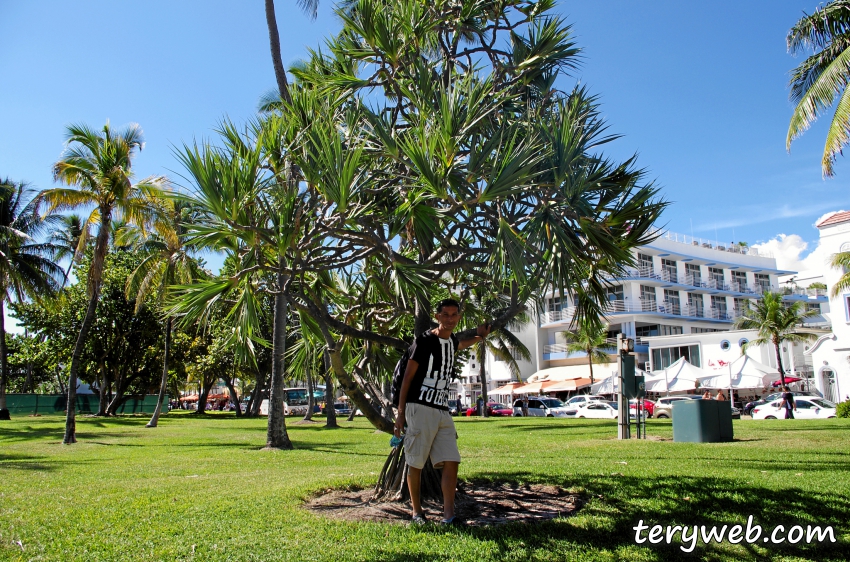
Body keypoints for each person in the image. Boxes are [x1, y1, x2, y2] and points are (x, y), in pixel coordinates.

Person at [394, 298, 490, 526]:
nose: (450, 319)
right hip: (419, 407)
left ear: (459, 317)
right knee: (415, 461)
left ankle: (449, 516)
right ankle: (417, 513)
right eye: (445, 315)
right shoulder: (424, 341)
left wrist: (480, 337)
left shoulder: (450, 341)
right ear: (437, 316)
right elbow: (407, 377)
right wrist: (400, 413)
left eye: (454, 315)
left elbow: (459, 344)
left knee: (451, 460)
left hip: (442, 409)